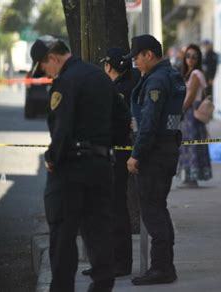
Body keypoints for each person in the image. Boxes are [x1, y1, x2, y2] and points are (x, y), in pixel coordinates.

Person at [30, 36, 125, 291]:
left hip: (71, 170)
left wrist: (52, 159)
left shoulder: (66, 82)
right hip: (102, 166)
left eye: (43, 67)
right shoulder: (99, 76)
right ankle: (102, 286)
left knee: (63, 237)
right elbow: (121, 118)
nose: (45, 74)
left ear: (52, 58)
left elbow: (62, 129)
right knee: (99, 234)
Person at [125, 34, 186, 285]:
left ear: (149, 54)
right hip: (166, 150)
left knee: (152, 212)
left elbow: (149, 124)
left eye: (137, 58)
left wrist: (136, 155)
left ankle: (161, 268)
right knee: (158, 208)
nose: (135, 63)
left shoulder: (157, 81)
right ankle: (164, 265)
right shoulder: (169, 75)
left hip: (154, 154)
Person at [81, 47, 140, 278]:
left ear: (109, 66)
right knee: (105, 209)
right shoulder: (119, 88)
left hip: (116, 156)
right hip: (111, 155)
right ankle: (105, 262)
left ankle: (120, 263)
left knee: (114, 209)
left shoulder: (119, 91)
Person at [178, 44, 213, 188]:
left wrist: (180, 112)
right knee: (188, 144)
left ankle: (192, 178)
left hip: (191, 113)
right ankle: (189, 177)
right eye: (188, 56)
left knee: (191, 144)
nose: (190, 59)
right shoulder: (190, 73)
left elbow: (191, 96)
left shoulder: (195, 74)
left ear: (198, 59)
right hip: (191, 113)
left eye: (194, 57)